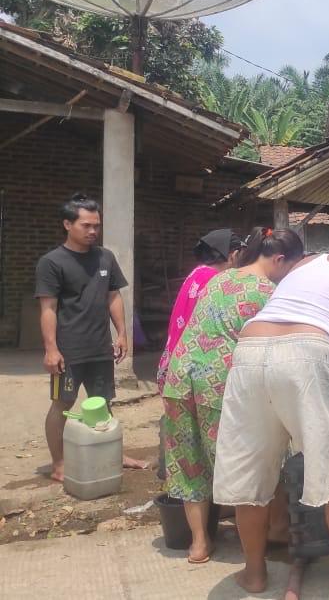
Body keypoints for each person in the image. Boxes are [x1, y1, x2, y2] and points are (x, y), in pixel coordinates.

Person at [212, 229, 329, 599]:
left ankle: (254, 574)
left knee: (251, 472)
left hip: (250, 351)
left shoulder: (306, 262)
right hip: (308, 353)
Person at [160, 228, 302, 563]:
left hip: (180, 378)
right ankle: (264, 536)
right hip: (218, 385)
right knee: (241, 463)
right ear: (279, 260)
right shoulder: (267, 292)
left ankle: (199, 543)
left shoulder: (217, 279)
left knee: (188, 461)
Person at [35, 193, 148, 482]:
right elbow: (48, 308)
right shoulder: (52, 262)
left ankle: (112, 453)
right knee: (63, 403)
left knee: (104, 402)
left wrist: (122, 333)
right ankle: (59, 463)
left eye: (96, 225)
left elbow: (113, 296)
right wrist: (51, 349)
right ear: (67, 224)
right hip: (68, 351)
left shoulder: (105, 257)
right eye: (86, 225)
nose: (93, 231)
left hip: (100, 347)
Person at [155, 229, 243, 385]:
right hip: (196, 367)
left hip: (176, 360)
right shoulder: (217, 281)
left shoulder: (197, 273)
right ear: (233, 256)